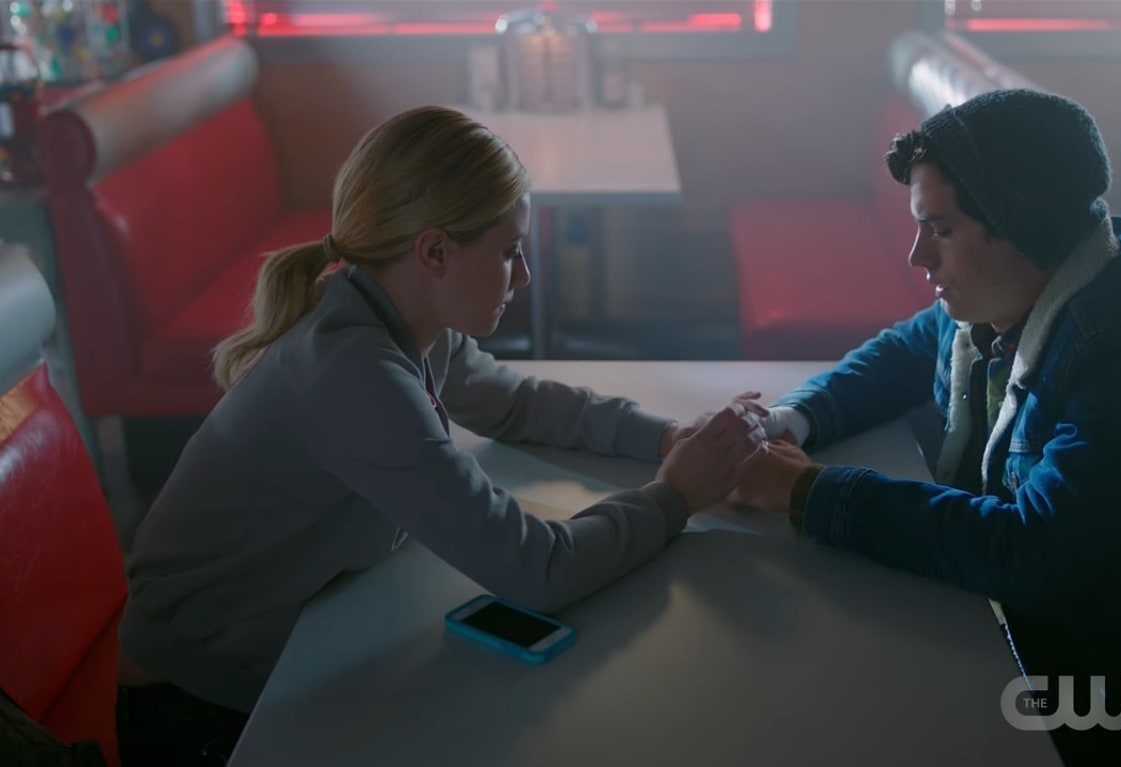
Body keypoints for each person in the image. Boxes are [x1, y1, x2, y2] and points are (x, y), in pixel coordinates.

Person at [114, 105, 765, 765]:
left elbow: (518, 404)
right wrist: (675, 496)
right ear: (434, 252)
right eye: (509, 252)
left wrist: (669, 438)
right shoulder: (354, 375)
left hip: (276, 649)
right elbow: (536, 569)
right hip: (195, 708)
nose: (523, 276)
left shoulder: (399, 318)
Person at [724, 89, 1121, 765]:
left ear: (1019, 224)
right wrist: (791, 420)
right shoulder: (1030, 280)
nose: (917, 257)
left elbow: (1036, 552)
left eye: (939, 230)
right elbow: (905, 351)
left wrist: (808, 492)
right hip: (1048, 635)